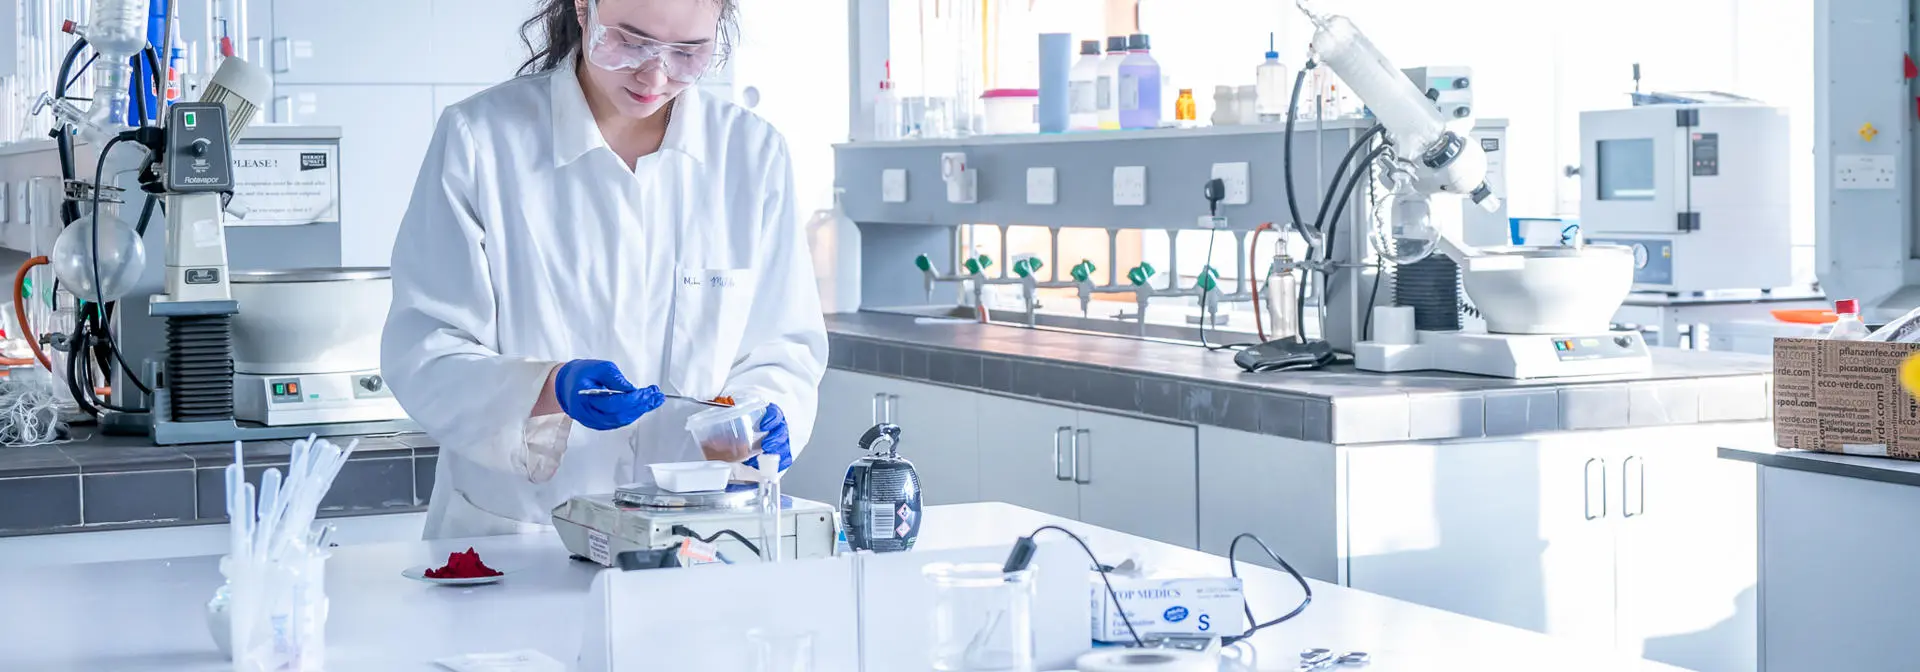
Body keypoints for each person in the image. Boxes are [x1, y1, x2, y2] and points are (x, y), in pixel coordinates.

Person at [381, 0, 827, 539]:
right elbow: (425, 346)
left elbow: (782, 345)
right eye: (632, 42)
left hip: (696, 538)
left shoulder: (751, 155)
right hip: (519, 538)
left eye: (688, 52)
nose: (655, 74)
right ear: (584, 11)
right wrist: (546, 388)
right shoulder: (482, 141)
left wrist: (762, 410)